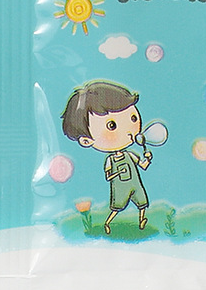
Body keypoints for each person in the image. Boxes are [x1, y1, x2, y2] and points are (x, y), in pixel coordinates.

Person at [62, 80, 152, 234]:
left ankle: (142, 220)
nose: (129, 130)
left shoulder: (130, 155)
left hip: (135, 184)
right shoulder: (111, 160)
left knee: (142, 202)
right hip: (120, 187)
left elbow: (143, 165)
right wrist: (117, 173)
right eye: (112, 125)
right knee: (117, 206)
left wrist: (147, 159)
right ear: (86, 141)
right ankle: (108, 223)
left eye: (133, 118)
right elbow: (108, 176)